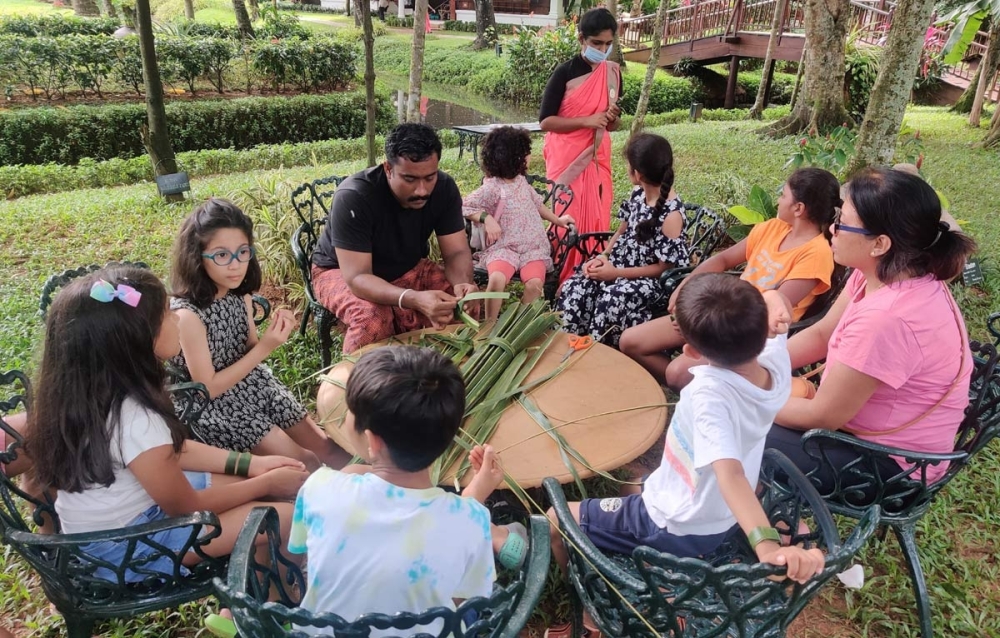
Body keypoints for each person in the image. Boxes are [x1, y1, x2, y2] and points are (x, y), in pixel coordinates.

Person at [544, 274, 825, 638]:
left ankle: (594, 612)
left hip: (674, 523)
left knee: (556, 518)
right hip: (714, 515)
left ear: (691, 351)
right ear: (765, 330)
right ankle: (658, 583)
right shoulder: (774, 362)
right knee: (635, 479)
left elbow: (731, 475)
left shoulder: (709, 395)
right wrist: (772, 299)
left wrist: (767, 545)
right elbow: (777, 304)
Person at [23, 266, 309, 583]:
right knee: (286, 516)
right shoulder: (135, 417)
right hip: (128, 548)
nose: (178, 318)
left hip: (114, 528)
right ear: (138, 341)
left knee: (267, 486)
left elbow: (170, 449)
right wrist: (265, 483)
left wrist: (252, 464)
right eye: (167, 315)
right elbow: (185, 506)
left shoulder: (90, 395)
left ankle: (253, 582)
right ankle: (267, 604)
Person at [766, 167, 977, 492]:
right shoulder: (888, 271)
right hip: (868, 434)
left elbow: (822, 416)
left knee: (733, 425)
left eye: (842, 222)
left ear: (879, 243)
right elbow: (822, 334)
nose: (832, 228)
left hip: (893, 465)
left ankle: (775, 529)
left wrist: (746, 396)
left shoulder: (888, 318)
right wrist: (757, 365)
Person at [287, 346, 501, 637]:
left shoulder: (320, 488)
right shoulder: (472, 520)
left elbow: (305, 560)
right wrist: (474, 495)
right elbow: (459, 601)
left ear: (373, 441)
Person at [620, 167, 840, 390]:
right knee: (630, 342)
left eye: (783, 195)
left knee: (676, 373)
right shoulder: (773, 228)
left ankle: (709, 388)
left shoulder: (816, 255)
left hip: (747, 335)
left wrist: (706, 321)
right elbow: (723, 259)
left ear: (798, 208)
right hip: (719, 312)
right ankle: (704, 386)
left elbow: (773, 308)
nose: (779, 200)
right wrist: (687, 287)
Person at [170, 199, 348, 472]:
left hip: (254, 384)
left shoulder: (239, 294)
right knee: (304, 463)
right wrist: (267, 346)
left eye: (243, 252)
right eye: (221, 255)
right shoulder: (188, 316)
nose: (235, 265)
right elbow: (208, 388)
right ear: (196, 257)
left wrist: (272, 337)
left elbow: (248, 348)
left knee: (327, 447)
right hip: (217, 406)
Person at [311, 123, 479, 353]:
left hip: (408, 266)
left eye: (430, 177)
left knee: (462, 303)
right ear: (388, 168)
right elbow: (358, 277)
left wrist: (462, 284)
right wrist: (413, 298)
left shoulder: (444, 188)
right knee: (372, 317)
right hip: (339, 271)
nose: (422, 190)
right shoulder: (354, 196)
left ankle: (441, 373)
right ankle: (359, 385)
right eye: (410, 179)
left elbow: (456, 252)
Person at [556, 133, 690, 346]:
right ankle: (567, 345)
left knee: (611, 298)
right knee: (577, 286)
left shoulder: (671, 215)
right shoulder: (638, 193)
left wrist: (616, 273)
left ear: (637, 173)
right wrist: (604, 256)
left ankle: (602, 353)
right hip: (620, 265)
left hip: (650, 282)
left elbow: (664, 268)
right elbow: (620, 232)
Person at [540, 7, 623, 284]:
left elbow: (611, 124)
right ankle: (562, 277)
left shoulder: (612, 73)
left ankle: (591, 274)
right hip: (567, 155)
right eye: (596, 43)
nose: (603, 49)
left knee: (597, 215)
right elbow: (546, 122)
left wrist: (611, 119)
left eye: (608, 44)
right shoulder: (565, 72)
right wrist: (587, 121)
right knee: (567, 217)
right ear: (581, 39)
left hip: (598, 157)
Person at [463, 125, 575, 321]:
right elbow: (465, 206)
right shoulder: (492, 187)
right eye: (526, 153)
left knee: (534, 284)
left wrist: (558, 220)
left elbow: (538, 205)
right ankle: (490, 323)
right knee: (497, 278)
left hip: (532, 248)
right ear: (513, 157)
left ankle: (517, 325)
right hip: (504, 247)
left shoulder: (521, 181)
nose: (529, 157)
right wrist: (486, 218)